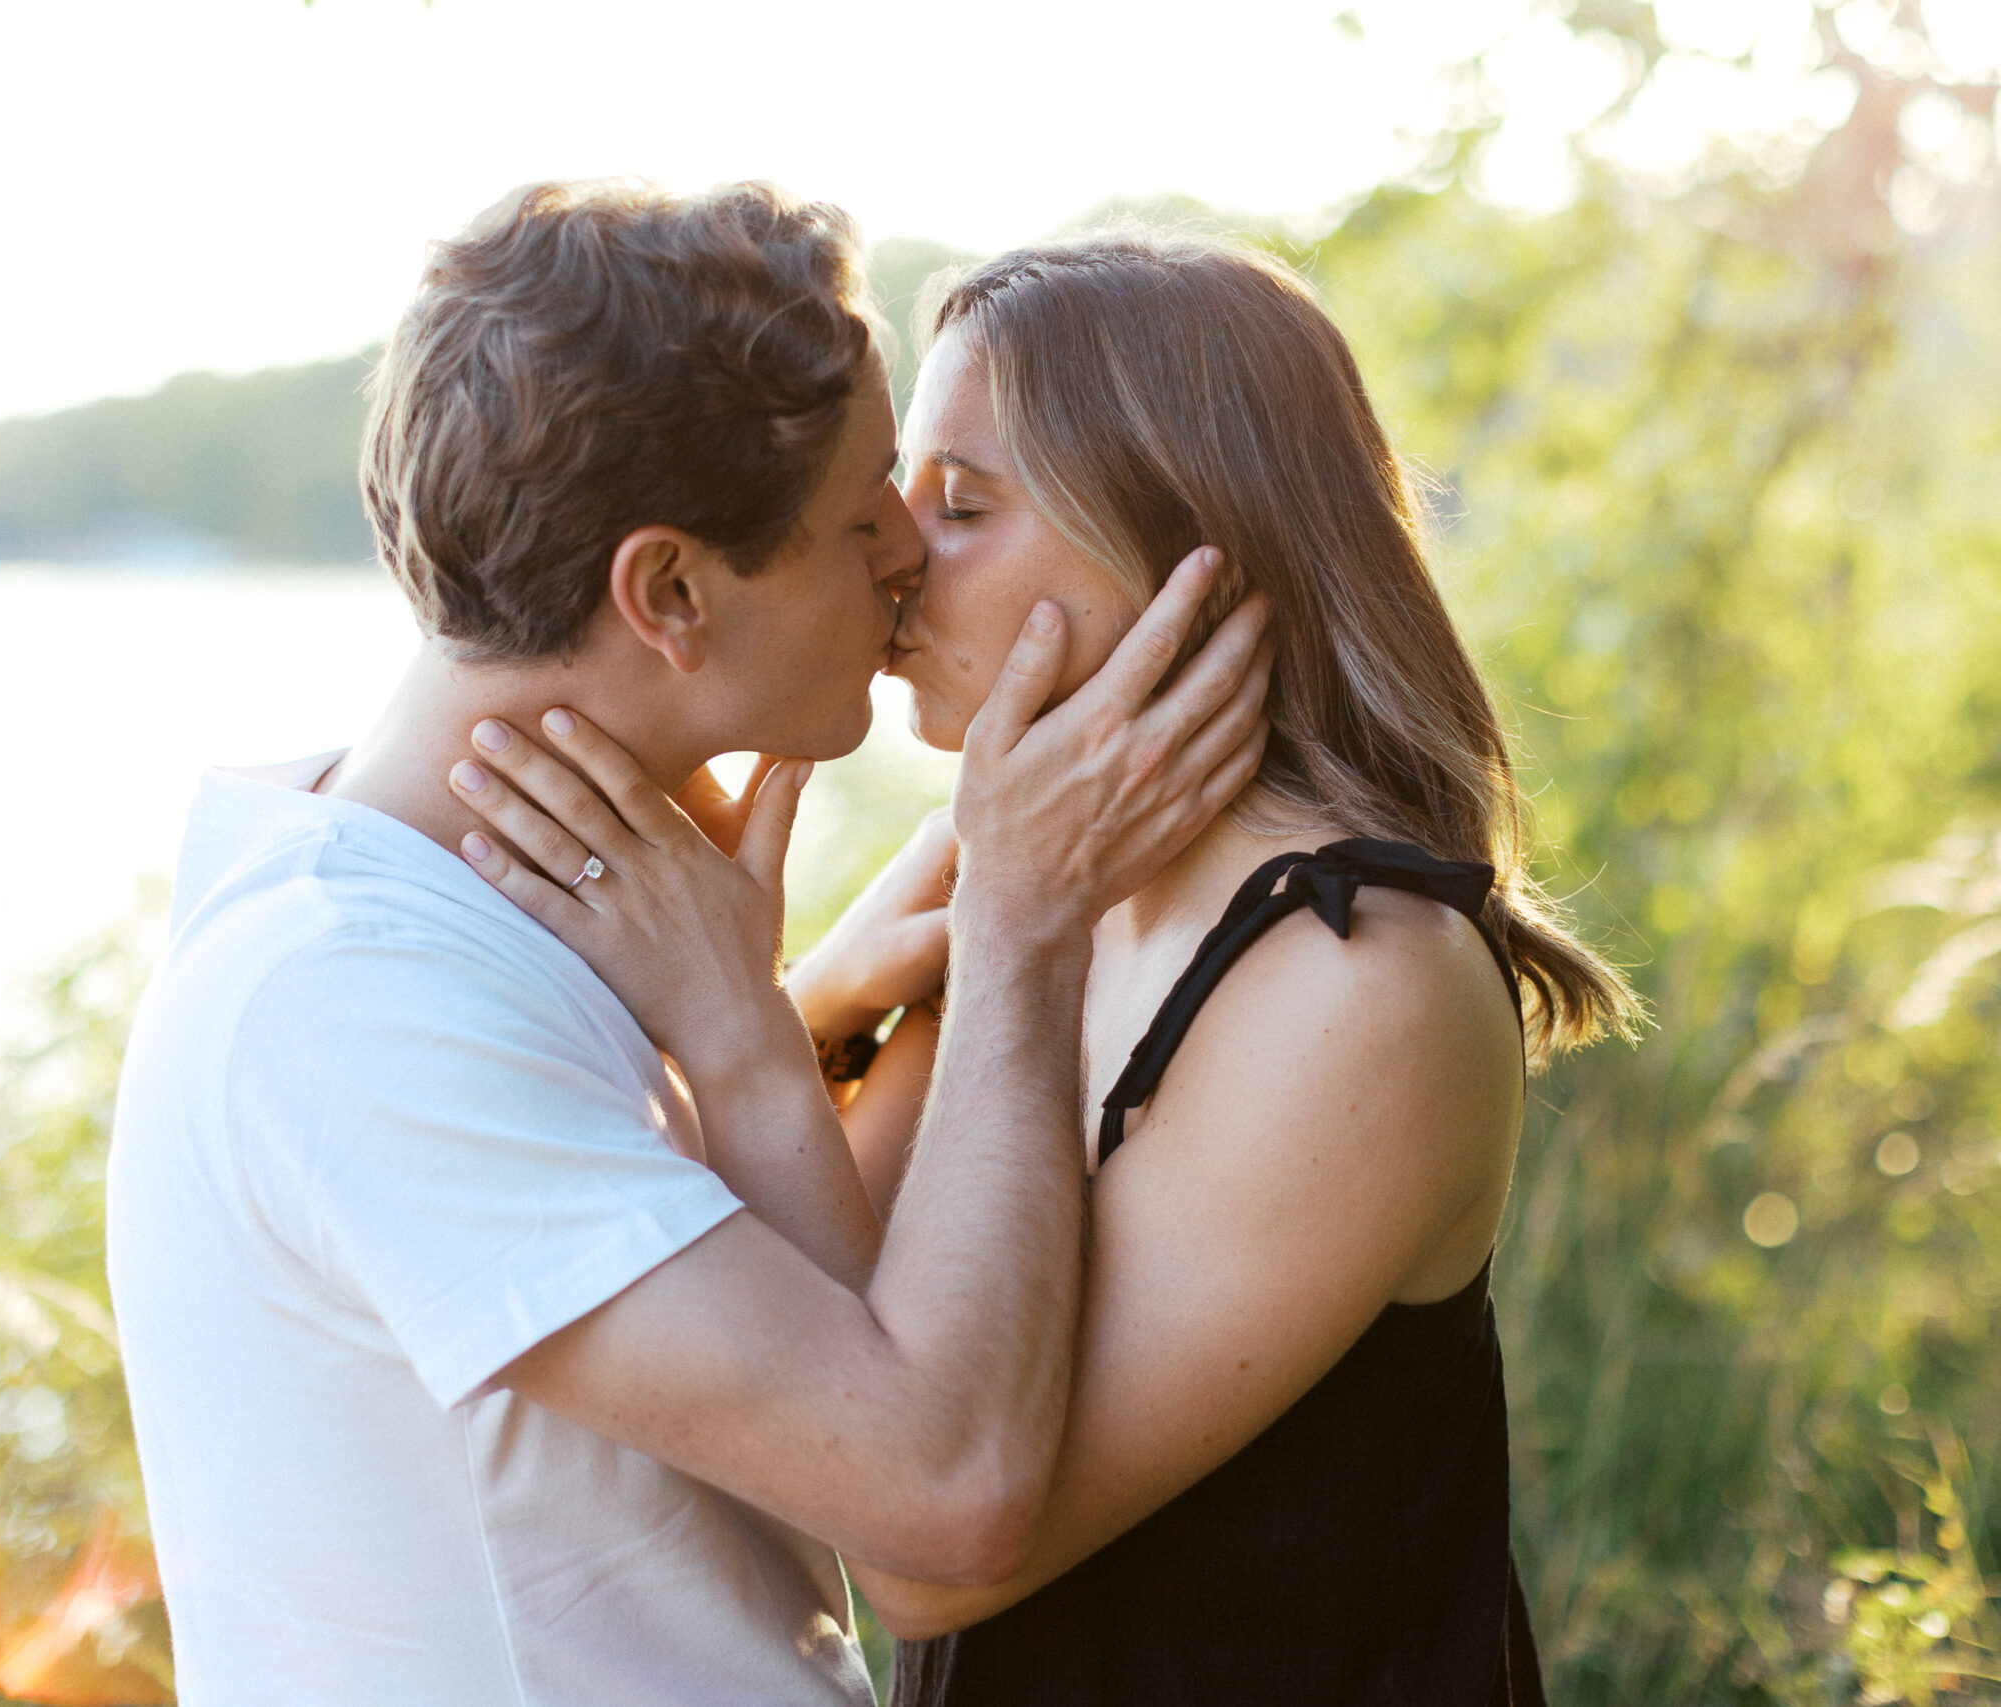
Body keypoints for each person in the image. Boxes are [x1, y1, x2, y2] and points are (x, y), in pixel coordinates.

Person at [103, 183, 1269, 1707]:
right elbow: (940, 1493)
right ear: (669, 593)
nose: (914, 553)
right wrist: (1021, 931)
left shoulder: (474, 911)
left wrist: (782, 1019)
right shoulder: (353, 1003)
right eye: (867, 516)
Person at [460, 229, 1641, 1707]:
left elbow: (928, 1546)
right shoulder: (1026, 887)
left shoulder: (1362, 986)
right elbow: (839, 1344)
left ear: (1191, 536)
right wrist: (808, 1003)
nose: (889, 559)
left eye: (960, 505)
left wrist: (750, 1026)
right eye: (893, 502)